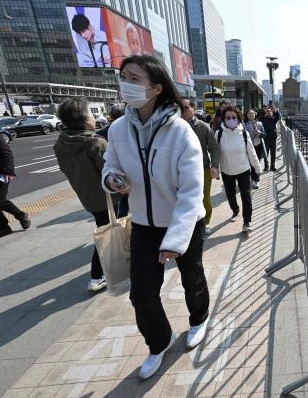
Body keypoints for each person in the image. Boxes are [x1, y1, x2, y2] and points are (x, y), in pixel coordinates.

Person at [101, 55, 209, 380]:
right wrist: (112, 179)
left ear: (156, 88)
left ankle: (199, 318)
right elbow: (110, 165)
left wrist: (176, 240)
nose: (126, 84)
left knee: (192, 277)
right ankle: (159, 342)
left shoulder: (181, 133)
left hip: (184, 223)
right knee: (142, 293)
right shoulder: (119, 129)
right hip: (145, 226)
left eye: (134, 78)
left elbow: (192, 192)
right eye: (123, 77)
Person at [53, 97, 120, 292]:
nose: (94, 118)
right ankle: (96, 276)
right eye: (91, 114)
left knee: (105, 229)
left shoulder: (61, 144)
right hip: (108, 198)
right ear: (83, 119)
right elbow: (112, 173)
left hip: (87, 198)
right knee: (106, 235)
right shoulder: (96, 143)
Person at [215, 106, 262, 232]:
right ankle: (235, 211)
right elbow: (216, 154)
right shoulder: (219, 134)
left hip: (243, 170)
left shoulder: (244, 134)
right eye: (228, 118)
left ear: (238, 118)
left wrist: (257, 168)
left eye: (234, 117)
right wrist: (216, 169)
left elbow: (252, 153)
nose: (231, 120)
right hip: (226, 171)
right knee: (230, 195)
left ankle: (247, 222)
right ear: (224, 120)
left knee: (246, 196)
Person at [180, 96, 220, 233]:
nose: (183, 111)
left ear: (193, 108)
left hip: (202, 169)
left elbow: (214, 148)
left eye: (186, 107)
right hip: (180, 171)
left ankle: (205, 222)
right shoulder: (174, 128)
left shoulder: (203, 127)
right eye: (180, 108)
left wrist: (215, 166)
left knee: (204, 198)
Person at [243, 110, 266, 189]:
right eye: (249, 113)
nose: (251, 115)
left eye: (252, 113)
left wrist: (258, 132)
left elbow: (264, 135)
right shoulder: (244, 125)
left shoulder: (259, 124)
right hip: (248, 147)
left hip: (258, 146)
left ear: (255, 115)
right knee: (251, 163)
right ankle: (254, 178)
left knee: (257, 162)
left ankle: (256, 179)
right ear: (247, 115)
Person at [261, 106, 281, 171]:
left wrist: (275, 110)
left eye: (270, 111)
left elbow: (278, 116)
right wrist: (265, 110)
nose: (269, 112)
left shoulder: (274, 119)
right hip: (266, 139)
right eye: (268, 111)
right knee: (265, 153)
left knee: (273, 153)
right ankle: (266, 166)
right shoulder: (263, 119)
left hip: (273, 139)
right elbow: (261, 116)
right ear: (266, 113)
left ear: (272, 113)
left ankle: (272, 166)